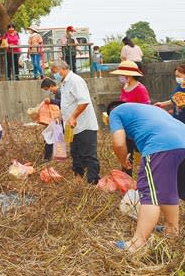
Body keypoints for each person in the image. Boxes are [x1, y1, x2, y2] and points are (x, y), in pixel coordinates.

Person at [106, 101, 185, 253]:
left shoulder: (116, 113)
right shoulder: (149, 110)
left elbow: (118, 142)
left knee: (150, 191)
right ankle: (172, 230)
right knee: (168, 189)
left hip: (161, 146)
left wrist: (123, 161)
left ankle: (137, 243)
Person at [50, 60, 100, 184]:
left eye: (54, 72)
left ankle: (93, 181)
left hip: (84, 125)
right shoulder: (64, 84)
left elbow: (84, 101)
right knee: (75, 153)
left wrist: (73, 117)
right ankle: (78, 177)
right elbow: (67, 104)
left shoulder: (75, 81)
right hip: (71, 127)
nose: (54, 75)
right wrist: (61, 114)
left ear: (62, 69)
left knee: (88, 154)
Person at [40, 77, 62, 160]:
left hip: (60, 119)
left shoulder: (60, 92)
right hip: (58, 118)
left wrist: (51, 101)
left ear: (52, 85)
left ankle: (48, 158)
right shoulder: (57, 93)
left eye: (48, 89)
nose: (49, 91)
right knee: (55, 138)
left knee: (51, 138)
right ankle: (56, 157)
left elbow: (62, 103)